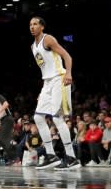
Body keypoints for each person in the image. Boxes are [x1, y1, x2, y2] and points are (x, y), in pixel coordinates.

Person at [29, 16, 80, 170]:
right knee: (38, 117)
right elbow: (46, 69)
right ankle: (51, 156)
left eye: (35, 24)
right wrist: (44, 90)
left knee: (57, 119)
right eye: (30, 24)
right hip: (48, 82)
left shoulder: (48, 39)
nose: (32, 27)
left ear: (42, 27)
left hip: (60, 78)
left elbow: (67, 56)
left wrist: (69, 73)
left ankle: (71, 158)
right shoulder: (33, 46)